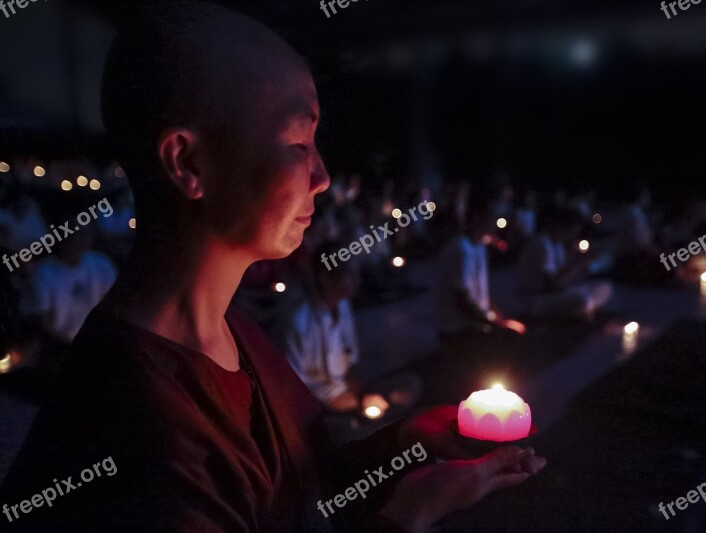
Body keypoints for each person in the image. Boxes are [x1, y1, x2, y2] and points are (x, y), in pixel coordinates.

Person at [0, 3, 545, 531]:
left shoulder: (233, 331)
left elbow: (299, 496)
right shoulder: (135, 430)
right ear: (188, 163)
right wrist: (410, 517)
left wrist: (406, 447)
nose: (324, 176)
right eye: (298, 142)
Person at [274, 240, 421, 416]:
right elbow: (293, 386)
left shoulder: (343, 306)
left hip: (347, 392)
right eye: (349, 275)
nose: (357, 281)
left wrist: (362, 393)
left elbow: (351, 360)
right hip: (319, 405)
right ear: (325, 278)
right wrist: (355, 402)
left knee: (409, 385)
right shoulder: (298, 321)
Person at [437, 200, 526, 337]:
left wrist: (494, 312)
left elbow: (476, 292)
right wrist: (493, 326)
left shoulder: (480, 246)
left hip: (475, 323)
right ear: (477, 218)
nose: (495, 224)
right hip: (458, 329)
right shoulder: (460, 249)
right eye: (492, 218)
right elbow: (462, 299)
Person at [518, 207, 612, 318]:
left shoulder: (557, 244)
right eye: (571, 231)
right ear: (558, 227)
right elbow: (553, 286)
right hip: (537, 299)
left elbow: (567, 280)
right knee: (581, 300)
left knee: (605, 287)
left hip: (556, 294)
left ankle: (584, 309)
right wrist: (579, 263)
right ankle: (583, 309)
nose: (572, 236)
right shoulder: (541, 245)